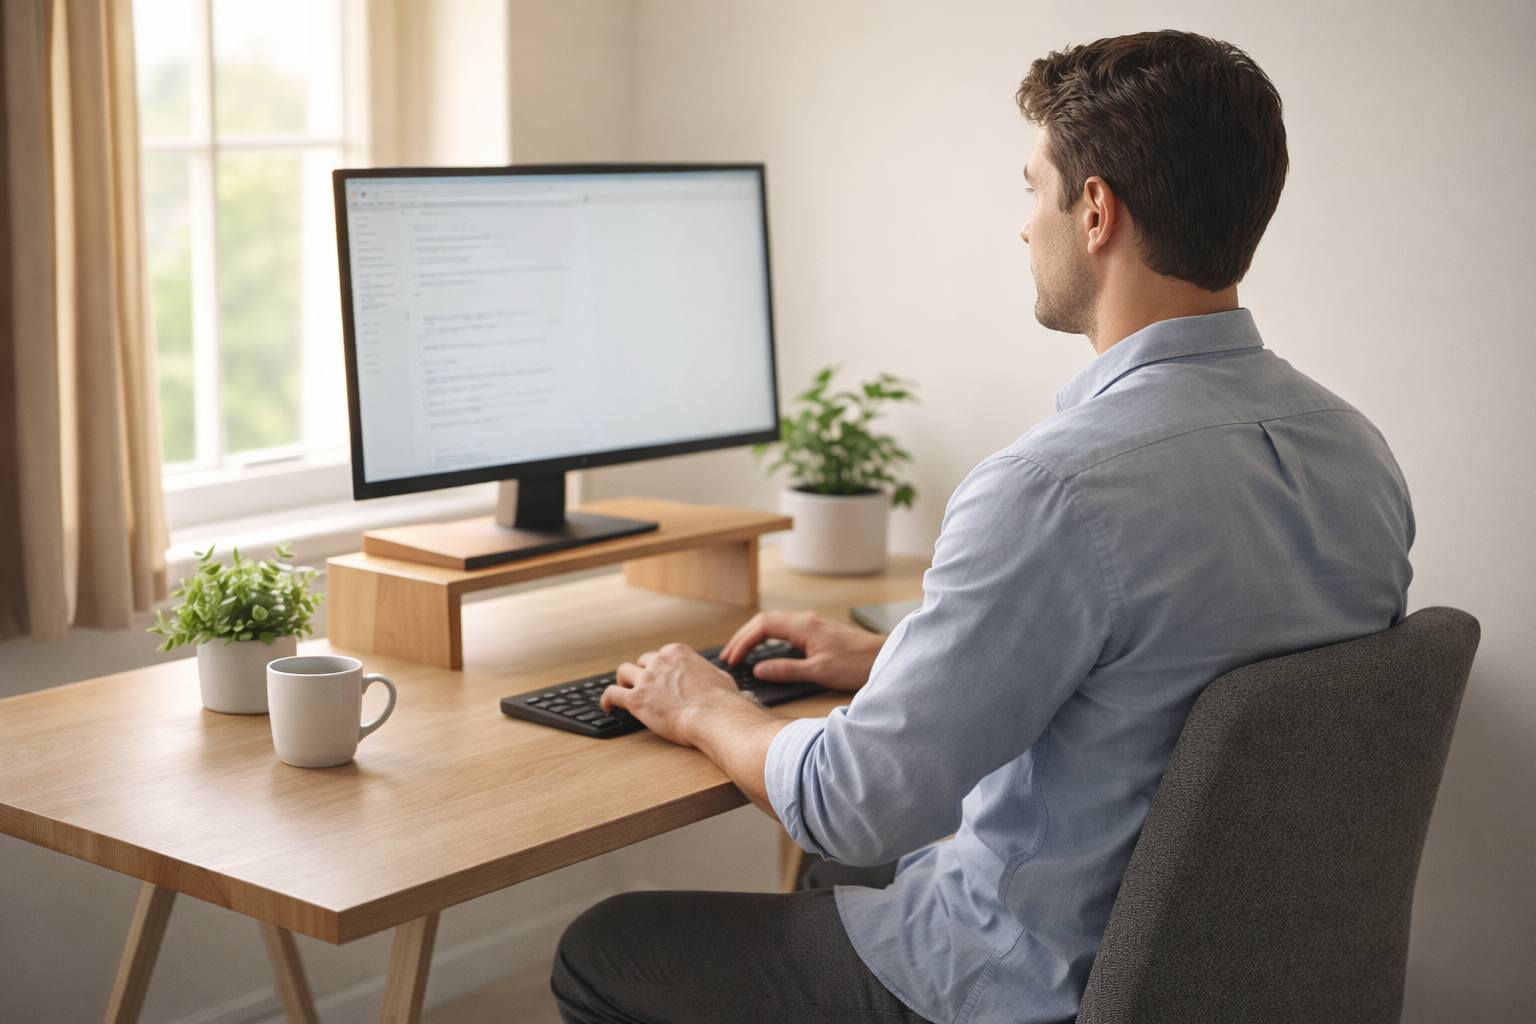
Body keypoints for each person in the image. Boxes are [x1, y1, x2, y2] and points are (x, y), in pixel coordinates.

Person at [551, 30, 1414, 1024]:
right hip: (1230, 979)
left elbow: (852, 798)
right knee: (851, 865)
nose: (1022, 228)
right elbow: (1167, 691)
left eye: (1032, 187)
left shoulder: (1053, 486)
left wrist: (702, 703)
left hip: (1023, 988)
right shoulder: (1355, 452)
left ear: (1095, 210)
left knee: (607, 943)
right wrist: (893, 662)